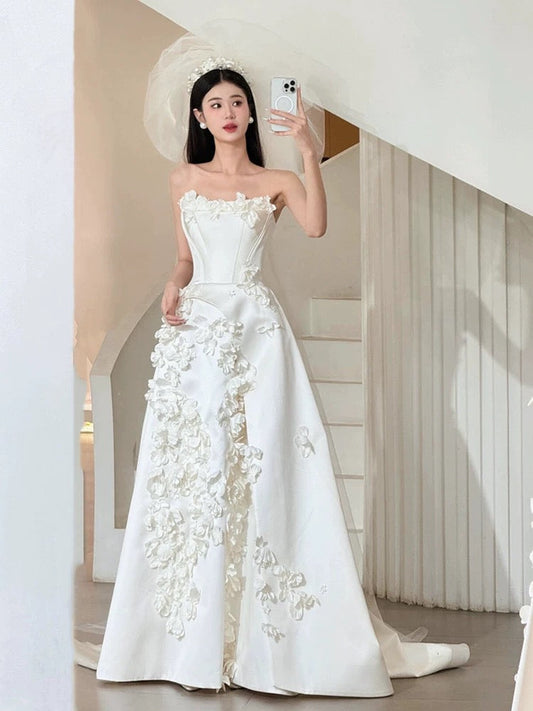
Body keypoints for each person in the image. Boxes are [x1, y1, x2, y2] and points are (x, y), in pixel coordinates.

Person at [75, 58, 470, 697]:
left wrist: (309, 150)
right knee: (197, 473)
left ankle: (268, 638)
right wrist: (173, 286)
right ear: (201, 118)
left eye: (237, 102)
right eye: (215, 105)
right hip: (197, 336)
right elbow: (184, 259)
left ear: (251, 112)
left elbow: (315, 225)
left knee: (266, 468)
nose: (228, 112)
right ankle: (189, 638)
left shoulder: (277, 180)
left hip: (257, 335)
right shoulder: (183, 179)